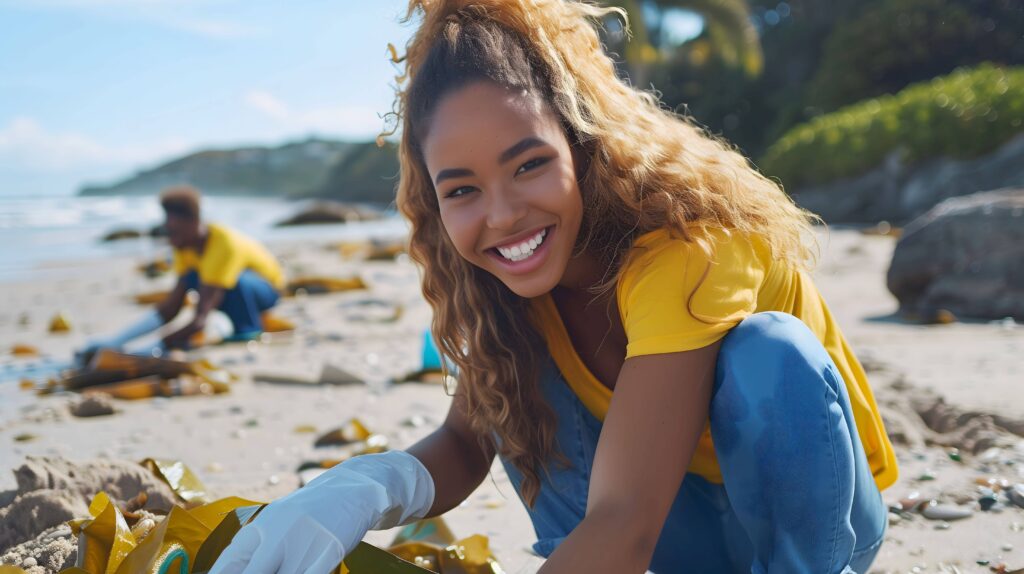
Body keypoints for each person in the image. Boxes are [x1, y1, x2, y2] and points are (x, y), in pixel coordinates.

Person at [211, 1, 898, 572]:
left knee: (768, 349)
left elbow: (626, 521)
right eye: (463, 190)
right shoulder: (509, 293)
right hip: (677, 538)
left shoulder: (689, 242)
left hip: (816, 524)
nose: (503, 214)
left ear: (582, 142)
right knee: (514, 369)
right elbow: (466, 442)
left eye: (529, 164)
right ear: (434, 202)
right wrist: (361, 488)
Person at [79, 185, 284, 360]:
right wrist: (115, 342)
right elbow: (171, 307)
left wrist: (150, 350)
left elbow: (199, 319)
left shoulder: (223, 245)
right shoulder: (184, 245)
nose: (171, 238)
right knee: (194, 277)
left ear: (194, 222)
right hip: (227, 288)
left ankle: (247, 328)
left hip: (267, 289)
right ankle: (116, 341)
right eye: (168, 230)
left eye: (175, 230)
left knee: (236, 281)